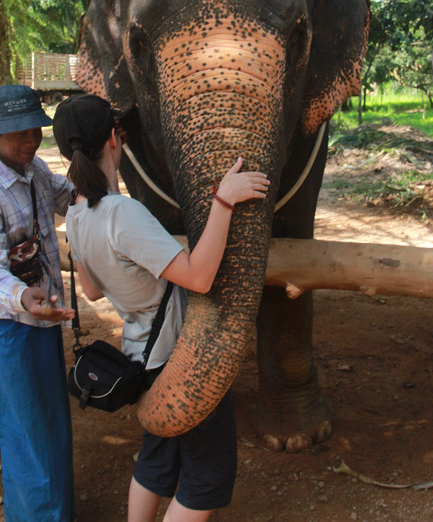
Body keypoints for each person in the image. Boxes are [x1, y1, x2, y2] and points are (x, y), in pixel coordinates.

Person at [52, 93, 270, 522]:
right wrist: (223, 201)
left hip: (139, 358)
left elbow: (93, 291)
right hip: (179, 359)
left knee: (155, 461)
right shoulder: (122, 214)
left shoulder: (75, 217)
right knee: (206, 478)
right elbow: (199, 276)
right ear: (115, 140)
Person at [0, 85, 76, 522]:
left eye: (35, 131)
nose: (30, 140)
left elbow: (73, 197)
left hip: (44, 322)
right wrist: (23, 297)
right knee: (27, 430)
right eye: (18, 134)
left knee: (50, 427)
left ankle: (54, 512)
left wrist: (105, 158)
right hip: (11, 329)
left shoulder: (38, 172)